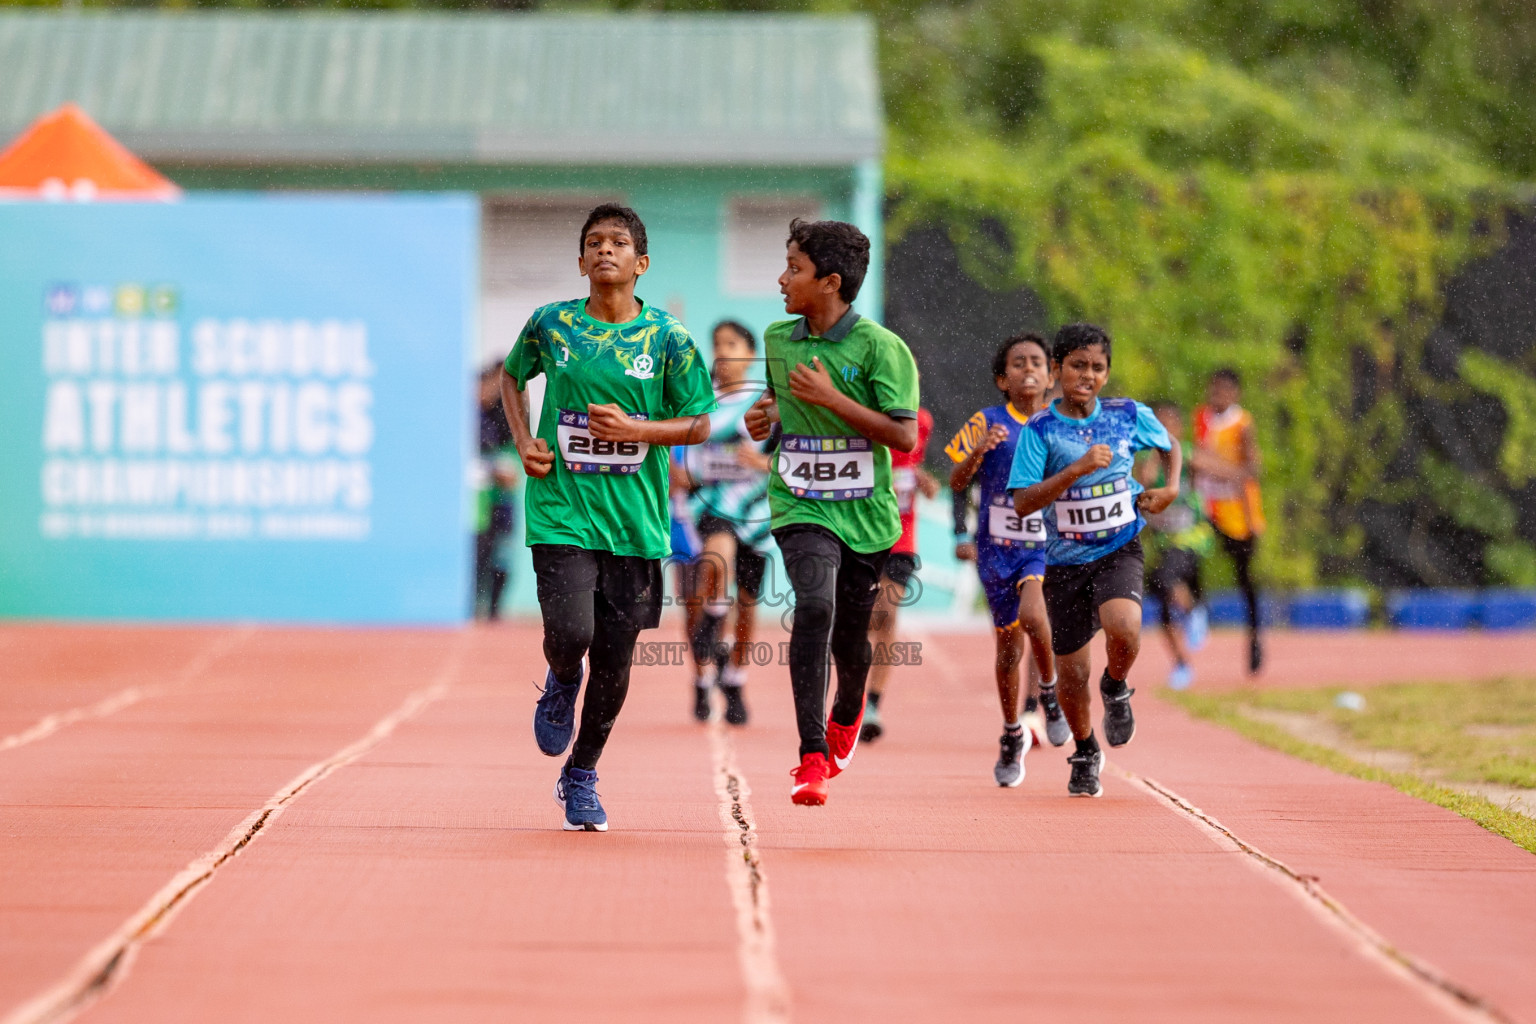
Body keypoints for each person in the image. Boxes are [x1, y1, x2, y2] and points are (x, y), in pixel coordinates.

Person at [500, 203, 715, 832]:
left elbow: (700, 422)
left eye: (618, 243)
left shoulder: (668, 339)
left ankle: (583, 771)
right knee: (572, 633)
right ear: (580, 260)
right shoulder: (551, 325)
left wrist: (637, 429)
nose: (605, 251)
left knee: (617, 660)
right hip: (562, 510)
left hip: (635, 521)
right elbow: (514, 380)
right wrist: (524, 441)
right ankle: (561, 676)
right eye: (593, 242)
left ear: (640, 263)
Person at [745, 218, 920, 807]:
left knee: (852, 637)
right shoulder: (777, 338)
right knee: (814, 607)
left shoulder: (881, 348)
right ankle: (811, 755)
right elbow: (779, 409)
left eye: (794, 269)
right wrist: (765, 419)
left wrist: (833, 399)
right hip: (799, 502)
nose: (781, 279)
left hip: (866, 516)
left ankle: (849, 710)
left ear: (831, 282)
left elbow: (901, 437)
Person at [1008, 323, 1179, 798]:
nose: (1087, 375)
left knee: (1125, 628)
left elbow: (1170, 445)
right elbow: (1023, 502)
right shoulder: (1041, 429)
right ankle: (1085, 750)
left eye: (1098, 368)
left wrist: (1171, 488)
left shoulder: (1127, 415)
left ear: (1107, 374)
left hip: (1119, 547)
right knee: (1072, 675)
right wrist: (1077, 469)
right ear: (1058, 370)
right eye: (1078, 366)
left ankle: (1117, 685)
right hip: (1063, 563)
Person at [947, 333, 1069, 786]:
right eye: (1018, 363)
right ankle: (1011, 731)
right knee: (1007, 650)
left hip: (1042, 546)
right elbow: (956, 481)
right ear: (1003, 378)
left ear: (1050, 374)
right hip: (996, 550)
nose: (1029, 369)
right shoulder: (986, 421)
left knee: (1037, 617)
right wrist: (979, 451)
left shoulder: (1061, 424)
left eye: (1037, 362)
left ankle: (1049, 695)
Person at [684, 320, 774, 726]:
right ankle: (713, 625)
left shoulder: (769, 405)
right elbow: (684, 453)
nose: (723, 353)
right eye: (716, 344)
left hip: (757, 513)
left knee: (750, 605)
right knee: (716, 560)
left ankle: (735, 678)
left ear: (751, 354)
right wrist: (687, 473)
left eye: (732, 344)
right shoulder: (700, 401)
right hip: (713, 506)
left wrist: (765, 462)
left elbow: (794, 457)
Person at [859, 406, 937, 743]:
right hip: (861, 537)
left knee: (886, 613)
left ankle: (873, 704)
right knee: (860, 620)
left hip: (901, 539)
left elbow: (913, 465)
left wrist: (921, 479)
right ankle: (853, 695)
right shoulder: (862, 416)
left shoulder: (922, 421)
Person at [1192, 368, 1266, 674]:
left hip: (1240, 513)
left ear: (1235, 394)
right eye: (1214, 389)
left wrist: (1217, 469)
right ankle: (1198, 610)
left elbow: (1252, 468)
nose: (1217, 396)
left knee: (1245, 579)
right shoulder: (1202, 418)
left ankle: (1254, 639)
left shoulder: (1243, 423)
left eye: (1224, 391)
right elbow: (1195, 458)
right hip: (1208, 507)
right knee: (1189, 557)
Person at [1136, 401, 1214, 690]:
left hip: (1191, 538)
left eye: (1170, 424)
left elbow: (1215, 467)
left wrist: (1240, 472)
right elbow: (1143, 484)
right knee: (1163, 602)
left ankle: (1195, 614)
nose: (1164, 430)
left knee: (1165, 579)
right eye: (1159, 424)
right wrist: (1156, 455)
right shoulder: (1147, 459)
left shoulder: (1189, 456)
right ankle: (1181, 663)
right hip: (1162, 542)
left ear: (1180, 428)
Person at [475, 364, 519, 620]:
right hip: (479, 503)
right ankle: (475, 609)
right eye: (493, 384)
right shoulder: (469, 416)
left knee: (502, 554)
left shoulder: (510, 413)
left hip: (504, 502)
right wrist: (493, 469)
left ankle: (495, 611)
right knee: (479, 553)